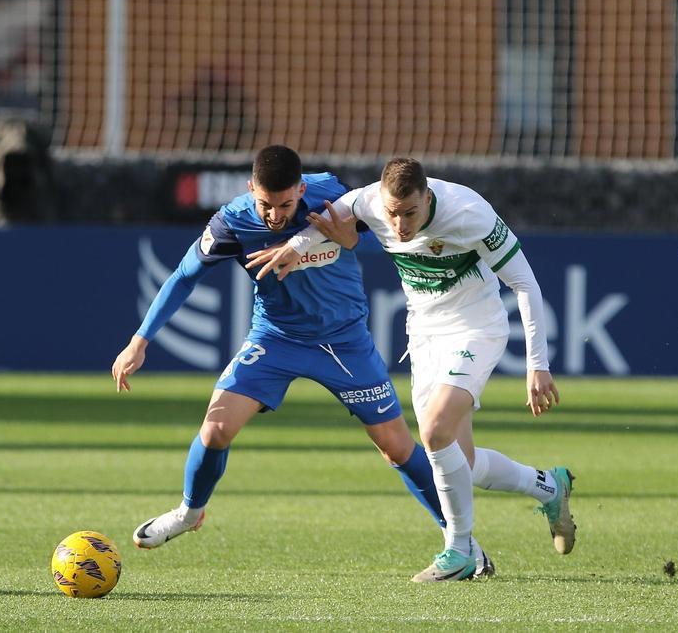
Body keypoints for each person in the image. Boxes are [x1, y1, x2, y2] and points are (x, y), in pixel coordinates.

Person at [111, 145, 497, 574]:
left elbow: (382, 234)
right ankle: (189, 512)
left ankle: (461, 542)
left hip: (344, 340)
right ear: (250, 189)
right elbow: (184, 276)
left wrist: (350, 238)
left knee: (396, 446)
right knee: (216, 428)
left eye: (285, 204)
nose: (275, 215)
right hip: (277, 338)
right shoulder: (233, 221)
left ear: (301, 189)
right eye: (265, 204)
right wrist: (140, 339)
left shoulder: (331, 193)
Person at [247, 157, 576, 582]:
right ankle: (551, 487)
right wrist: (294, 248)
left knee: (435, 430)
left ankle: (459, 551)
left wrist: (538, 365)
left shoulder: (469, 212)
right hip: (423, 334)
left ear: (428, 198)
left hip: (476, 329)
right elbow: (331, 220)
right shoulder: (370, 200)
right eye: (392, 214)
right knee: (462, 462)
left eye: (410, 213)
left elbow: (525, 284)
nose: (399, 225)